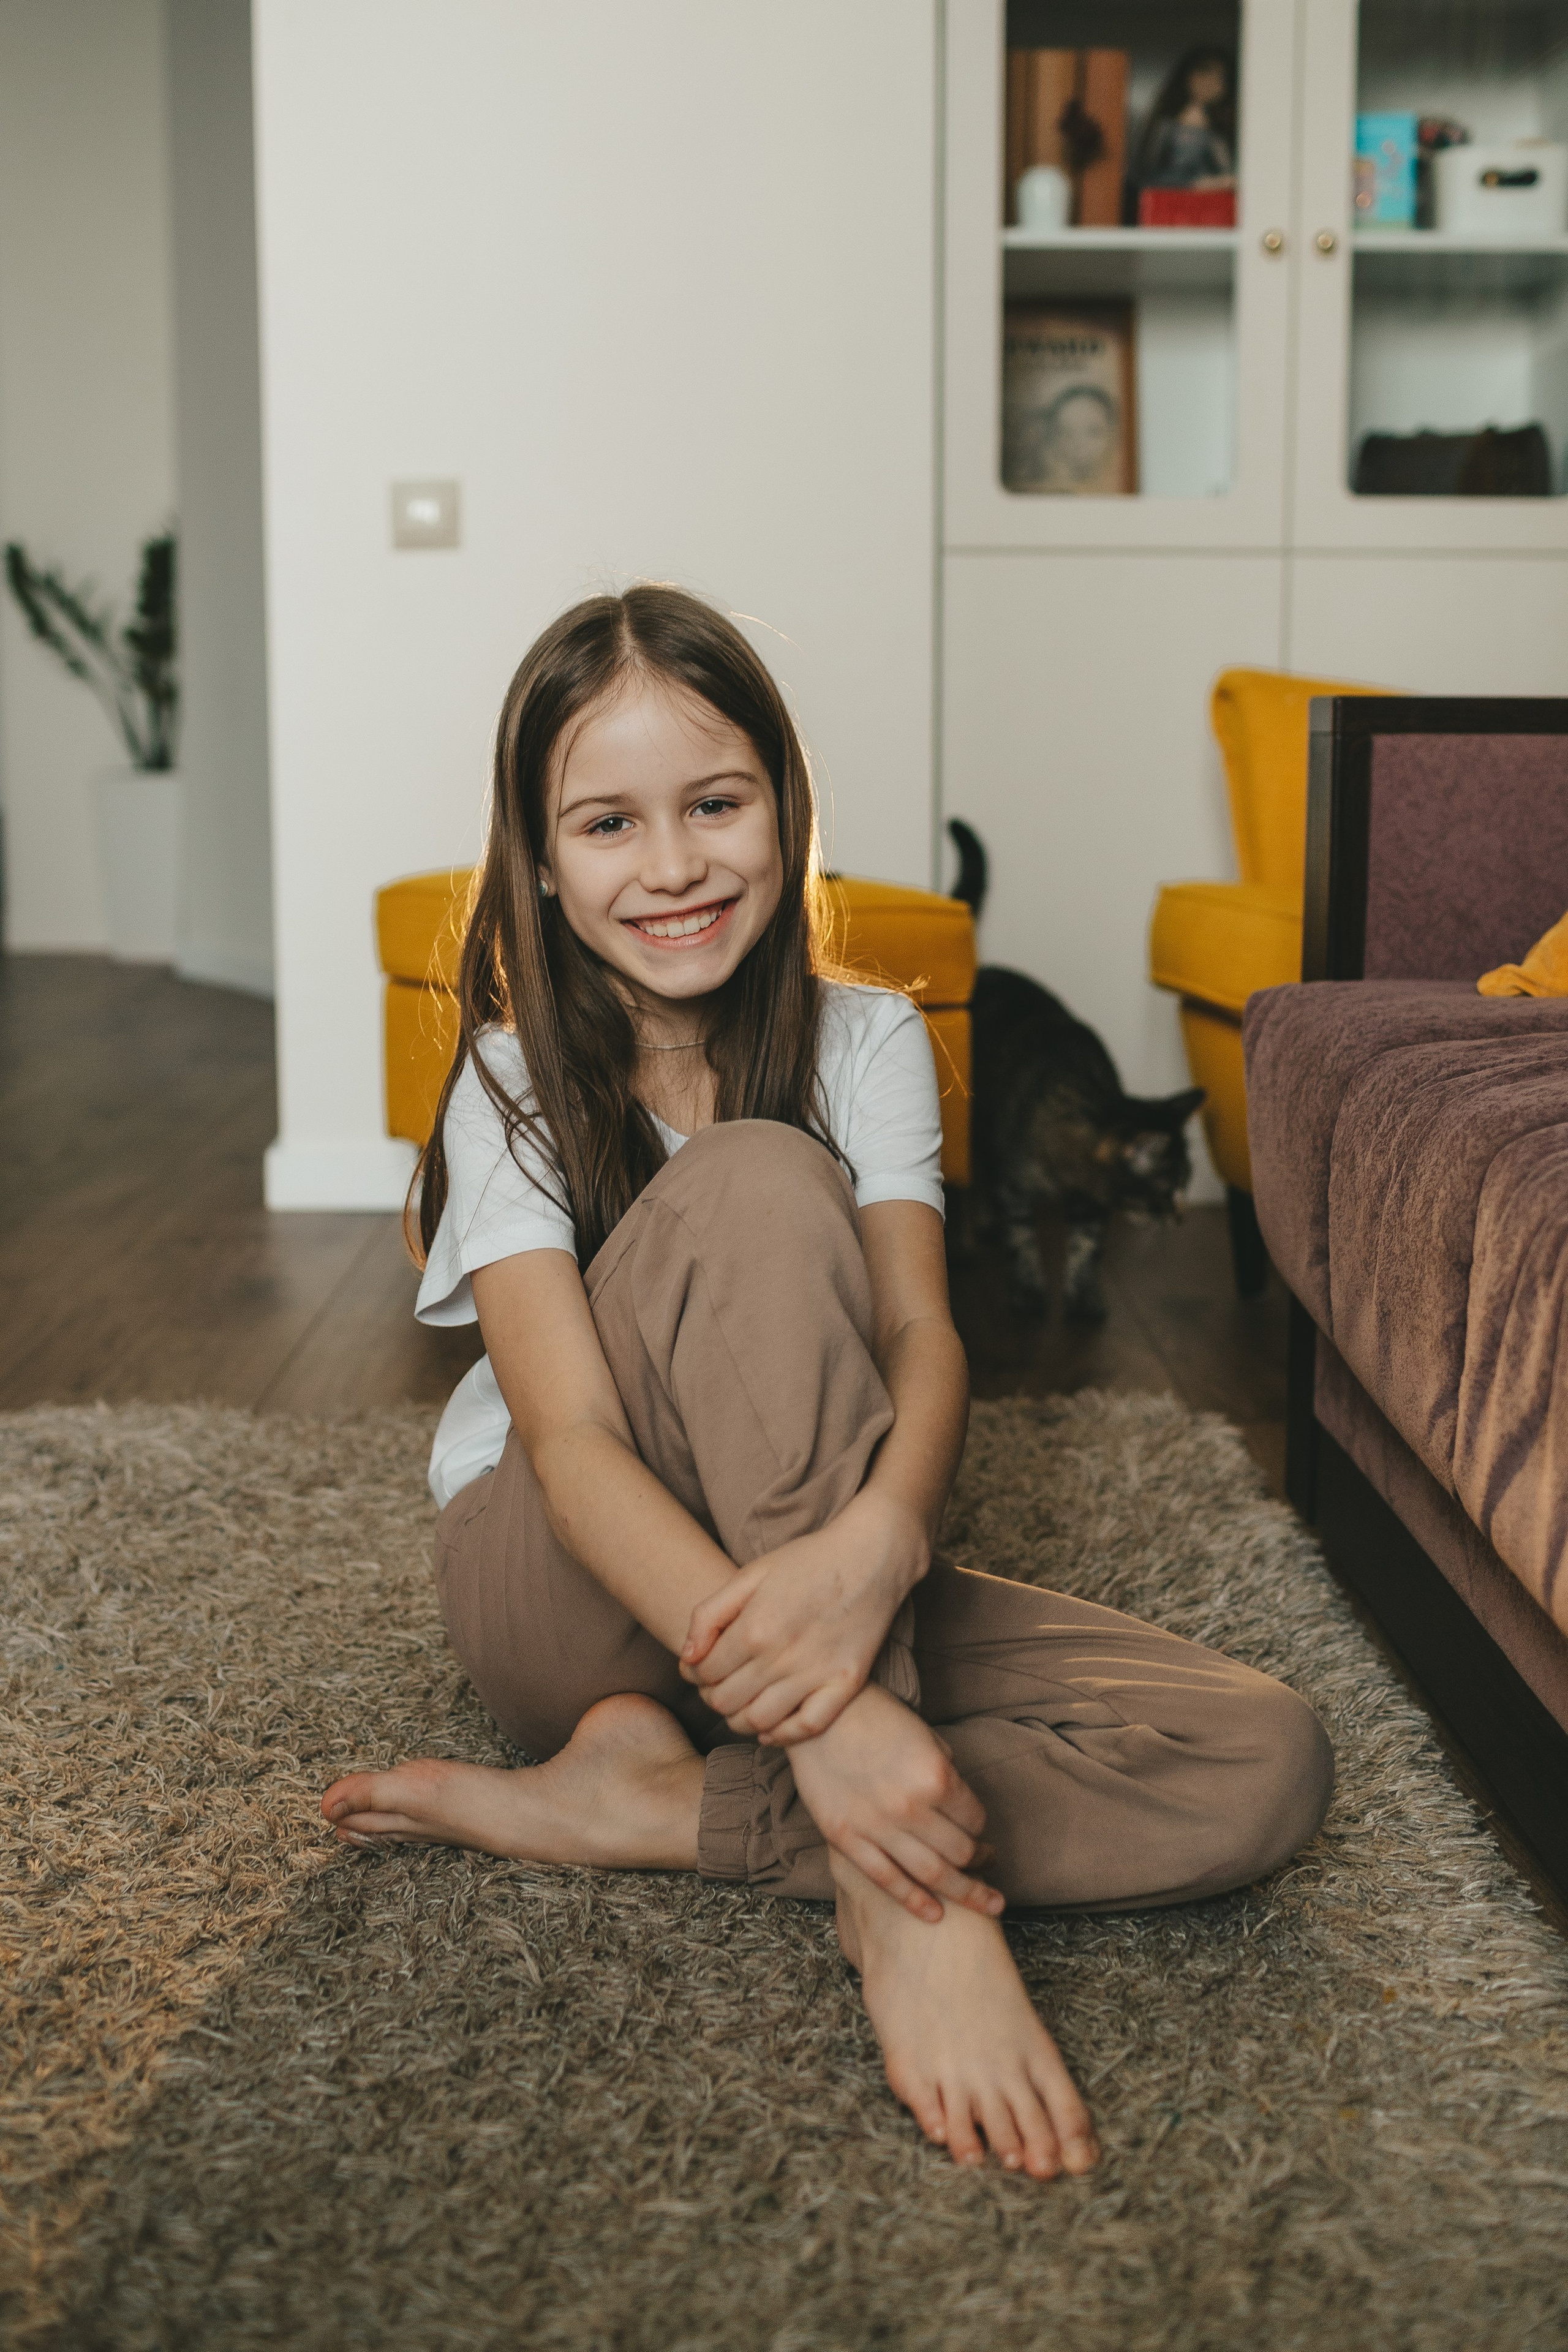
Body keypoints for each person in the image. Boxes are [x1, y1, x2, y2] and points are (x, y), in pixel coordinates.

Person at [321, 586, 1333, 2179]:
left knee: (1264, 1761)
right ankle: (899, 1899)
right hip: (566, 1589)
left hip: (805, 1571)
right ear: (538, 854)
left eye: (715, 804)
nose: (671, 866)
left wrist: (884, 1547)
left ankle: (650, 1809)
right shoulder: (513, 1082)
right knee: (755, 1182)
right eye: (607, 823)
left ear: (788, 806)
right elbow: (575, 1443)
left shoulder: (866, 1037)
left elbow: (927, 1340)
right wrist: (860, 1729)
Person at [1137, 47, 1238, 191]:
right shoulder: (1167, 124)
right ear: (1188, 75)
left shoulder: (1220, 127)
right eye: (1204, 73)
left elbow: (1227, 170)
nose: (1210, 83)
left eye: (1219, 78)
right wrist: (1194, 184)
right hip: (1169, 195)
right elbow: (1148, 171)